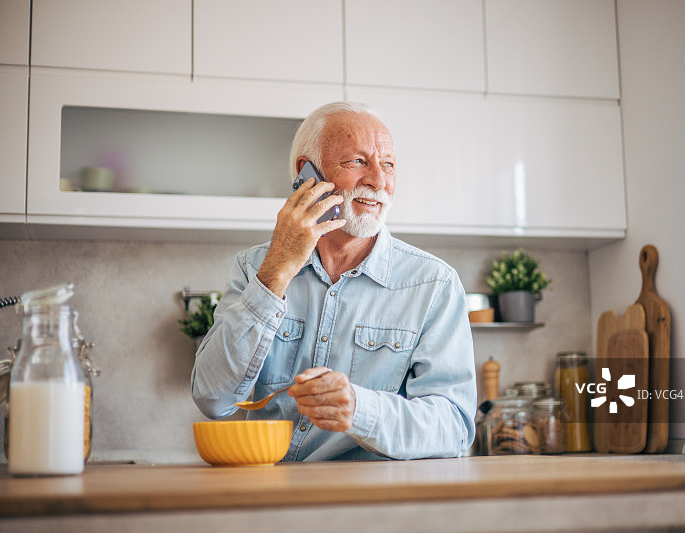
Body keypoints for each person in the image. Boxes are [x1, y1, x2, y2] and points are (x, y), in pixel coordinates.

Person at [191, 102, 476, 461]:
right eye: (357, 161)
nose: (377, 181)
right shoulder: (256, 267)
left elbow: (454, 427)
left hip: (369, 506)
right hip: (268, 501)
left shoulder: (434, 285)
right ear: (307, 172)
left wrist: (361, 410)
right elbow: (213, 399)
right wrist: (276, 271)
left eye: (387, 164)